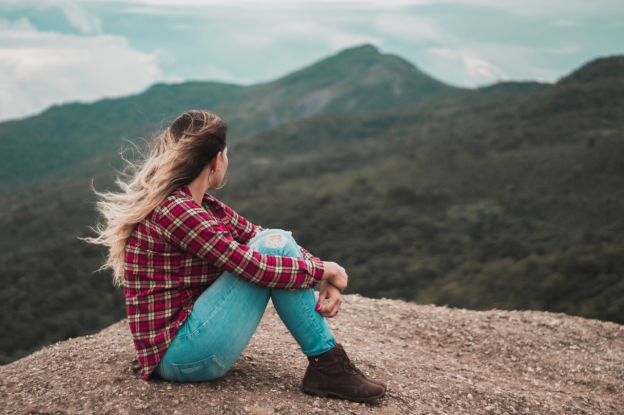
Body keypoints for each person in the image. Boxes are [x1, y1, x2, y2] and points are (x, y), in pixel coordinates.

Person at [85, 109, 386, 402]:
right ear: (216, 160)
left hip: (186, 344)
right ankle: (329, 366)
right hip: (180, 355)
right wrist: (323, 271)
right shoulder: (177, 211)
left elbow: (262, 235)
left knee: (272, 239)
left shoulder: (200, 205)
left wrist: (321, 271)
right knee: (270, 249)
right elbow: (252, 265)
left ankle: (328, 366)